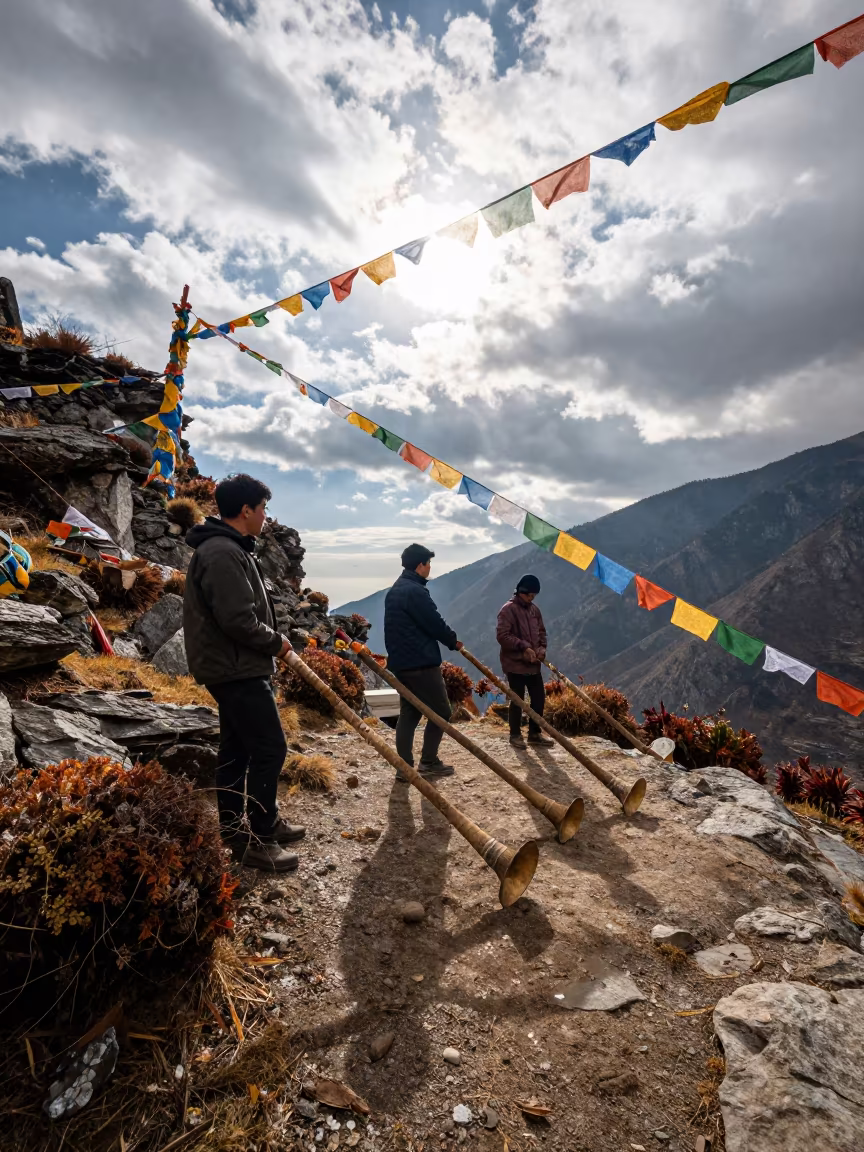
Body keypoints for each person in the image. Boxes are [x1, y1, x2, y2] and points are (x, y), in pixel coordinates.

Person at [184, 473, 305, 872]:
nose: (266, 517)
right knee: (270, 749)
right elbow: (237, 619)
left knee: (237, 751)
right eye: (263, 508)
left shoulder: (230, 548)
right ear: (246, 510)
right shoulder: (222, 552)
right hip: (234, 668)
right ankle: (258, 837)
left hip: (232, 665)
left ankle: (241, 830)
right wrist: (276, 642)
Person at [384, 543, 463, 778]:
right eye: (428, 563)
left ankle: (404, 767)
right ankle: (428, 762)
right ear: (420, 565)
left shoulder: (395, 590)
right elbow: (434, 622)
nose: (430, 568)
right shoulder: (415, 592)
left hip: (401, 663)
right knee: (441, 711)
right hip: (421, 663)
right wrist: (453, 641)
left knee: (410, 712)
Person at [496, 574, 554, 749]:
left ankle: (534, 734)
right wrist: (523, 647)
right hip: (515, 664)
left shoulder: (534, 610)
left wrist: (541, 650)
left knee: (538, 699)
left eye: (534, 596)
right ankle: (515, 735)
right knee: (517, 700)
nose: (532, 598)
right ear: (522, 592)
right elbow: (502, 636)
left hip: (533, 664)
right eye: (530, 595)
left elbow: (542, 633)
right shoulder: (508, 610)